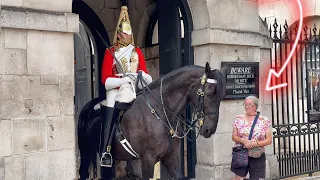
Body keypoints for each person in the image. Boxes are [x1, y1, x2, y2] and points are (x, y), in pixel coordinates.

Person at [100, 6, 152, 167]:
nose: (128, 35)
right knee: (110, 107)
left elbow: (146, 75)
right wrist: (122, 80)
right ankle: (106, 150)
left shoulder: (137, 52)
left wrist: (139, 76)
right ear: (119, 33)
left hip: (135, 87)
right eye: (125, 33)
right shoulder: (111, 52)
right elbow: (105, 79)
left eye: (130, 33)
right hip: (116, 89)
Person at [231, 95, 272, 180]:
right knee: (238, 178)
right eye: (245, 104)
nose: (247, 107)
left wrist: (256, 143)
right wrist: (243, 140)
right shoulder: (238, 119)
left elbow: (269, 140)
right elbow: (234, 137)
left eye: (250, 105)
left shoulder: (264, 120)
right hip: (241, 153)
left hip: (257, 154)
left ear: (255, 107)